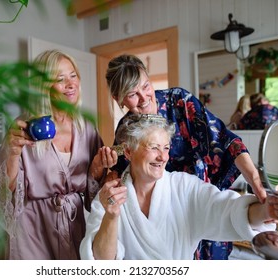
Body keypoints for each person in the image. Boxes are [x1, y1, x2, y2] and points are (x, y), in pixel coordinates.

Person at [104, 54, 267, 260]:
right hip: (163, 214)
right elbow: (120, 174)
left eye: (146, 86)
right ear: (118, 98)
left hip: (195, 198)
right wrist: (106, 170)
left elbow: (225, 139)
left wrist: (255, 180)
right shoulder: (125, 130)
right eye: (132, 94)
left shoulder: (178, 101)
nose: (144, 98)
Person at [80, 114, 278, 260]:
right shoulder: (109, 197)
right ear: (128, 152)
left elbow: (227, 210)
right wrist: (111, 216)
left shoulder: (183, 188)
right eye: (154, 147)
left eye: (166, 148)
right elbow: (100, 263)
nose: (162, 156)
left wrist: (269, 209)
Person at [0, 49, 117, 260]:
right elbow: (3, 194)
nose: (70, 84)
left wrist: (97, 168)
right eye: (60, 78)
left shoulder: (86, 128)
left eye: (73, 75)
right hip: (32, 230)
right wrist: (12, 154)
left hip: (73, 228)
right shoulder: (25, 128)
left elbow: (94, 191)